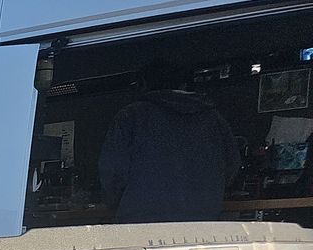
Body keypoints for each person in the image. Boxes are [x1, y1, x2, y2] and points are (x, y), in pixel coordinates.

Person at [99, 61, 240, 222]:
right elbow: (231, 168)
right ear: (184, 84)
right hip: (202, 220)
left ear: (144, 84)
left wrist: (115, 203)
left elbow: (113, 173)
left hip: (140, 221)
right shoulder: (214, 119)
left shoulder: (131, 117)